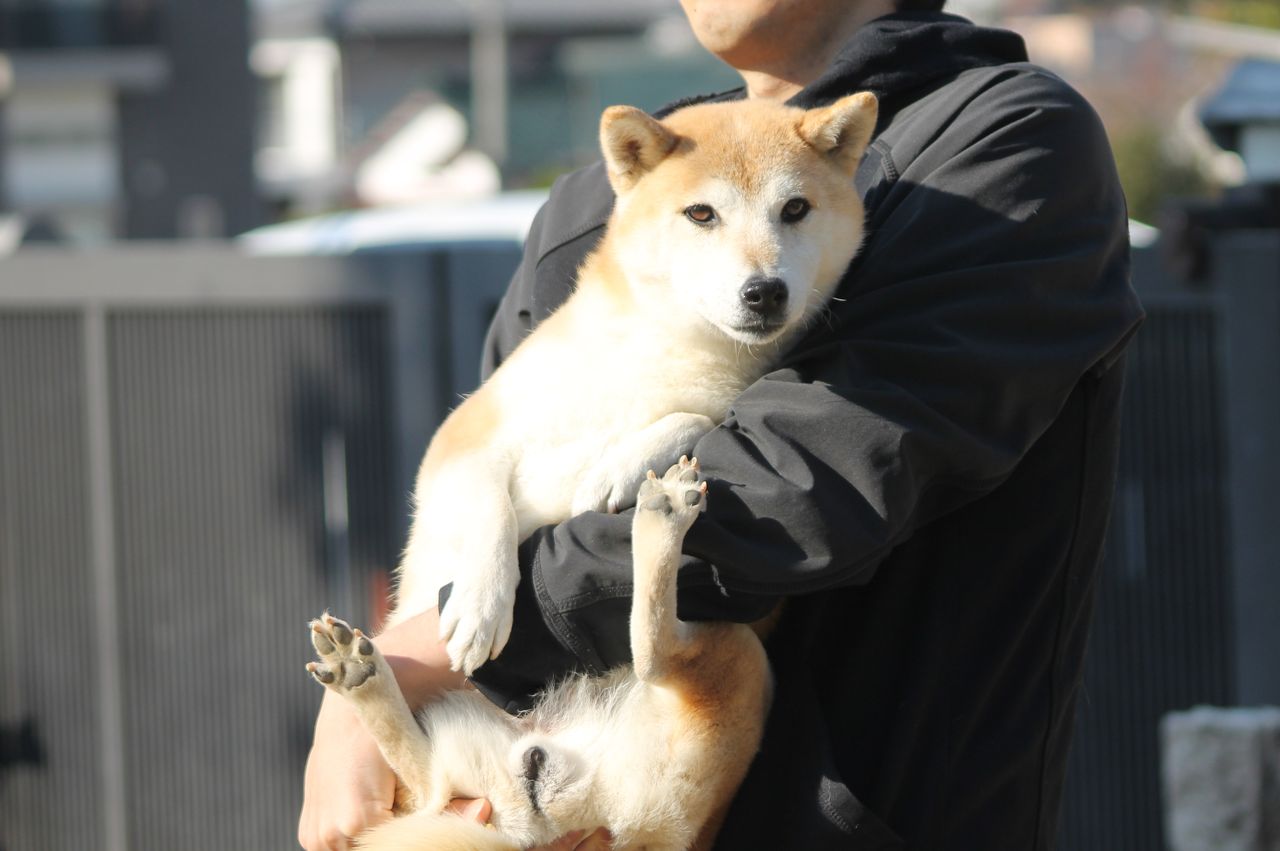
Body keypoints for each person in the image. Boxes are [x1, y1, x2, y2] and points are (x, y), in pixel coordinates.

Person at [298, 0, 1144, 848]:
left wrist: (439, 652)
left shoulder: (1006, 145)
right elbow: (484, 478)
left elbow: (799, 487)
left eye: (790, 217)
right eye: (704, 218)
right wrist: (384, 704)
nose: (755, 259)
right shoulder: (593, 210)